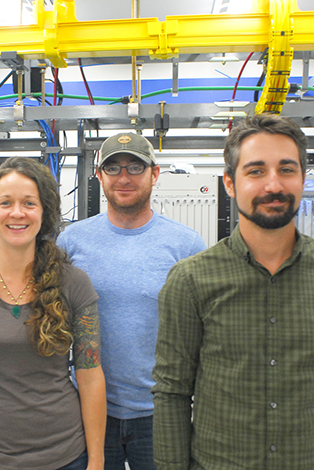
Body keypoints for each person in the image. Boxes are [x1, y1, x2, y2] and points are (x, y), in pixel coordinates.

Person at [152, 114, 314, 470]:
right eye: (256, 171)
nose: (273, 185)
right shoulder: (190, 280)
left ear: (303, 179)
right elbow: (172, 393)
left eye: (286, 169)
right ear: (230, 184)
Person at [0, 157, 106, 470]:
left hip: (65, 455)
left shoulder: (74, 283)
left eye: (29, 203)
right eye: (6, 203)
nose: (17, 213)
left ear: (44, 213)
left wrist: (96, 460)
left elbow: (90, 375)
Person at [57, 132, 206, 470]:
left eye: (135, 167)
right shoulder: (72, 242)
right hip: (88, 408)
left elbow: (203, 333)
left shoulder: (186, 245)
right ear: (99, 176)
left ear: (154, 174)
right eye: (113, 168)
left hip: (161, 413)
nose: (123, 178)